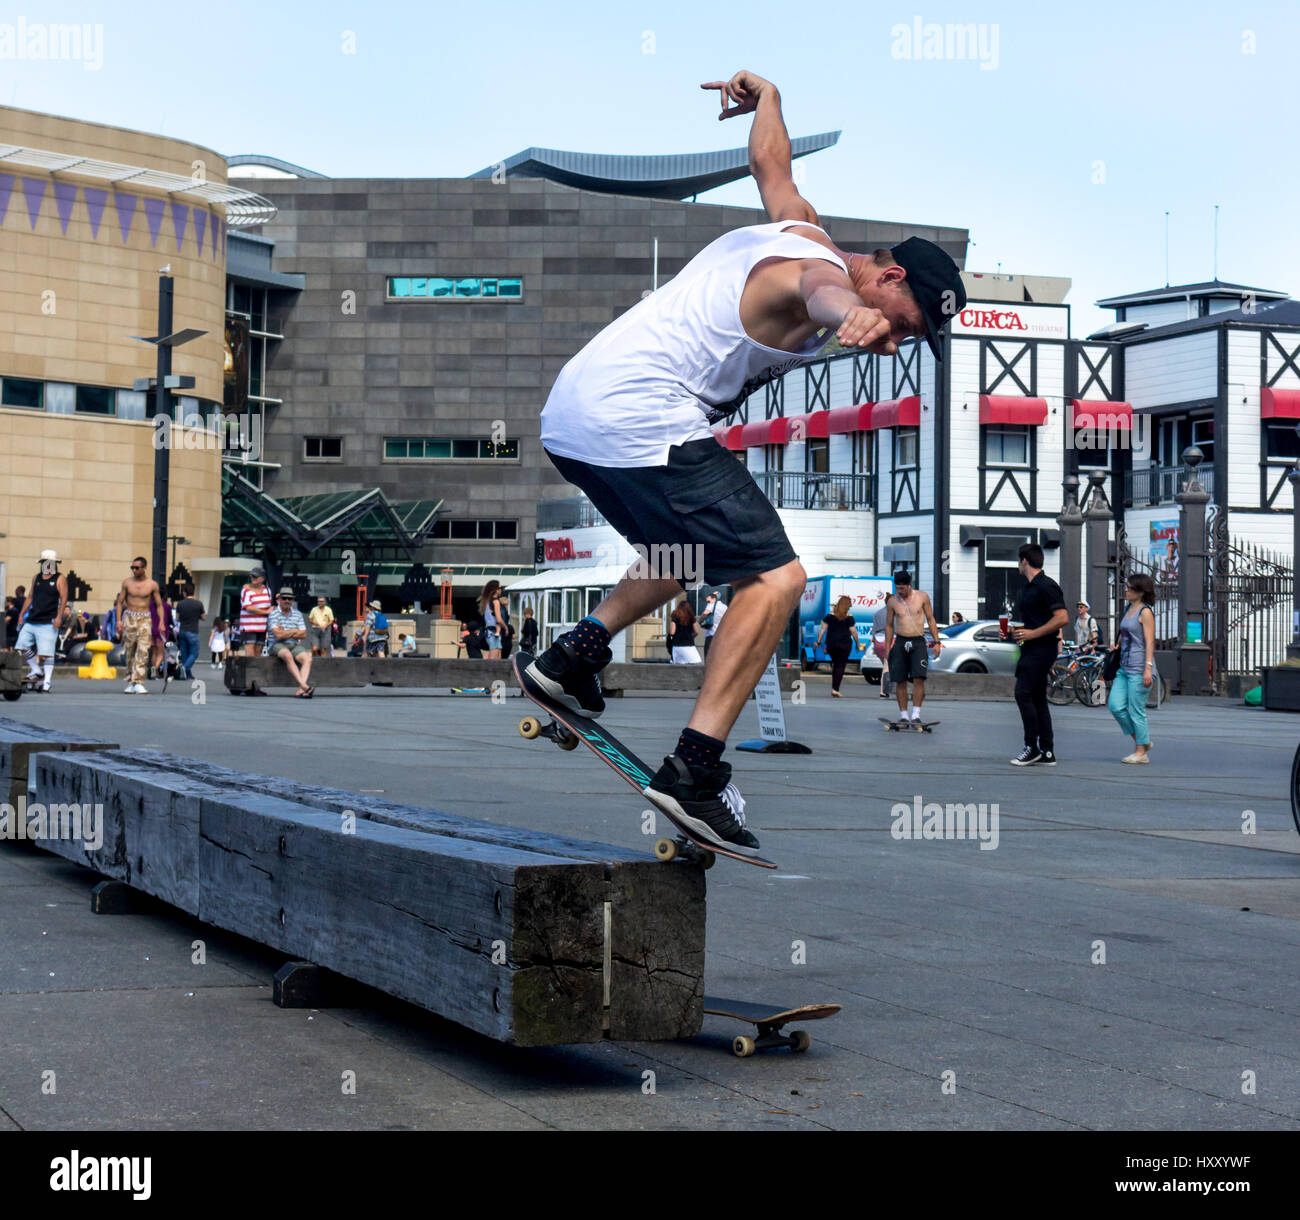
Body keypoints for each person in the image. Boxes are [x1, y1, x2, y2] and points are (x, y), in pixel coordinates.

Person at [523, 69, 966, 856]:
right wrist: (850, 314)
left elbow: (773, 167)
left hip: (575, 418)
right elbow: (820, 294)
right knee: (775, 577)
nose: (894, 342)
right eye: (900, 324)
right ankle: (694, 769)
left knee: (688, 551)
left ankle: (572, 656)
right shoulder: (820, 275)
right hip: (639, 417)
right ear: (889, 275)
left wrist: (770, 102)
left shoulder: (802, 228)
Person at [1004, 543, 1070, 766]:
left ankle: (1031, 747)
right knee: (1038, 698)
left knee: (1022, 692)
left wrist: (1032, 634)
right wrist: (1017, 632)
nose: (1018, 565)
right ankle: (1048, 751)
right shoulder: (1029, 588)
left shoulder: (1046, 585)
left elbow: (1062, 618)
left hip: (1043, 648)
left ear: (1024, 560)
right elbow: (1035, 622)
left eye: (1018, 561)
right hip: (1031, 647)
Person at [1108, 573, 1157, 764]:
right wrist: (1118, 644)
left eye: (1129, 587)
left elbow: (1150, 641)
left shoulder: (1145, 612)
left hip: (1139, 667)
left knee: (1136, 710)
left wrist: (1148, 668)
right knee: (1115, 706)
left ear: (1140, 591)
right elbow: (1126, 630)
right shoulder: (1129, 608)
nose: (1125, 590)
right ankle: (1142, 742)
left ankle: (1140, 753)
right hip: (1124, 667)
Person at [884, 572, 941, 726]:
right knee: (900, 680)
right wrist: (887, 648)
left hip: (918, 642)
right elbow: (889, 625)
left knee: (919, 679)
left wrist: (937, 642)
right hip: (901, 641)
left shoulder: (922, 597)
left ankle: (916, 715)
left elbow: (931, 619)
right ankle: (904, 715)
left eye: (902, 588)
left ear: (909, 585)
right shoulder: (892, 601)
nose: (900, 592)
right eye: (897, 588)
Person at [15, 550, 67, 692]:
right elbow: (30, 596)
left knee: (47, 653)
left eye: (50, 563)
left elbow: (63, 599)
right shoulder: (36, 578)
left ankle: (47, 682)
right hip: (32, 619)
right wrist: (21, 614)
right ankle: (36, 670)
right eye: (45, 562)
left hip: (49, 621)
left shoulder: (60, 578)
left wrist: (59, 617)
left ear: (55, 564)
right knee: (22, 645)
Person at [113, 556, 165, 694]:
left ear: (144, 568)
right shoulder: (127, 583)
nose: (134, 570)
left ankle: (139, 681)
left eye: (137, 568)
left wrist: (161, 622)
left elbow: (159, 605)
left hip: (144, 618)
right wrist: (118, 620)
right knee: (130, 650)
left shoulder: (152, 584)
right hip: (130, 617)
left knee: (143, 650)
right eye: (132, 567)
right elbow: (119, 602)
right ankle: (130, 680)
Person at [265, 588, 314, 697]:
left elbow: (303, 634)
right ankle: (304, 686)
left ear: (293, 600)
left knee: (308, 659)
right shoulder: (273, 614)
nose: (287, 601)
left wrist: (285, 632)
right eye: (284, 598)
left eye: (289, 598)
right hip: (276, 645)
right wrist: (294, 631)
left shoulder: (298, 614)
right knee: (287, 655)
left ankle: (301, 690)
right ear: (279, 600)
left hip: (294, 645)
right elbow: (278, 636)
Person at [816, 594, 861, 698]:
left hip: (831, 644)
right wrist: (858, 644)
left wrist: (819, 641)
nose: (850, 606)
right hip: (845, 644)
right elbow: (854, 632)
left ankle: (834, 688)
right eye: (849, 605)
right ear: (847, 605)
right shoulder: (849, 617)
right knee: (840, 666)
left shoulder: (830, 616)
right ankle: (835, 689)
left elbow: (823, 629)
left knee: (836, 664)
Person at [175, 582, 205, 680]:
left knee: (184, 653)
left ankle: (187, 674)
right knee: (194, 653)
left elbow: (177, 618)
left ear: (184, 593)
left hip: (182, 630)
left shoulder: (180, 604)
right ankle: (184, 668)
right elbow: (203, 617)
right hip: (193, 631)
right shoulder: (198, 604)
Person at [239, 567, 272, 656]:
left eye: (255, 576)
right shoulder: (246, 590)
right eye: (251, 576)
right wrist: (265, 612)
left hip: (262, 626)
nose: (252, 578)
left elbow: (272, 605)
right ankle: (249, 670)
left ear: (262, 578)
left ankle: (255, 670)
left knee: (258, 653)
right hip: (249, 626)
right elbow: (248, 607)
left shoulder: (268, 590)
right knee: (250, 653)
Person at [478, 581, 505, 660]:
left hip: (492, 632)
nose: (501, 590)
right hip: (492, 631)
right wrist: (506, 627)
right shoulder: (494, 602)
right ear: (495, 590)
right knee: (495, 656)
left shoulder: (487, 602)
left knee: (498, 655)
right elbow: (499, 620)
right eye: (500, 588)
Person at [669, 599, 702, 663]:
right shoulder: (691, 617)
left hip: (677, 644)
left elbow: (672, 632)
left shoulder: (675, 617)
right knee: (696, 662)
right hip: (689, 645)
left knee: (678, 665)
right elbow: (696, 631)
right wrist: (691, 636)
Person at [700, 590, 729, 659]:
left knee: (708, 656)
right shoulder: (724, 607)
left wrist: (700, 621)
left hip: (711, 634)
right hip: (721, 634)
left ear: (714, 599)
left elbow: (705, 613)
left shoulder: (711, 605)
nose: (707, 602)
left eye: (708, 601)